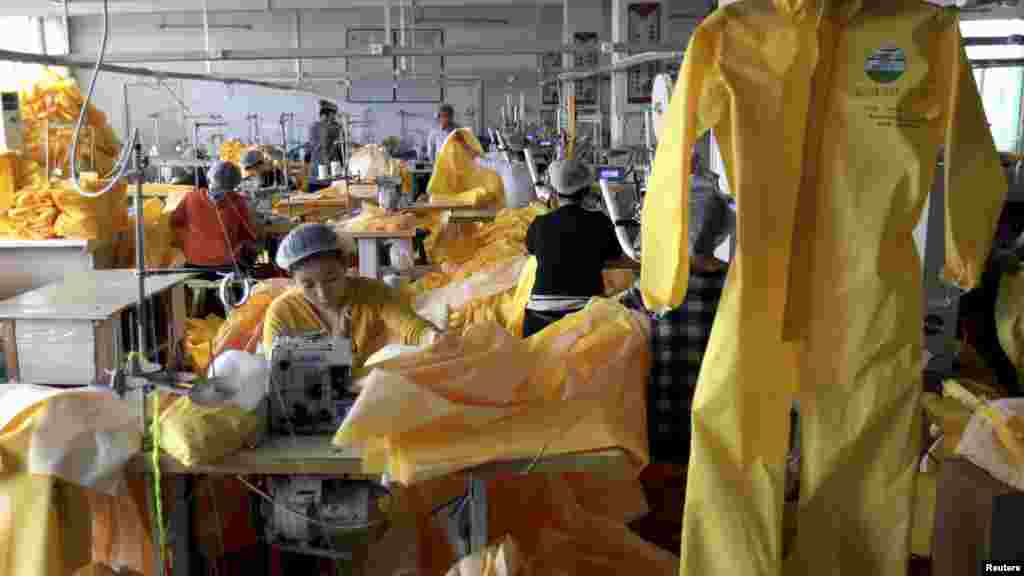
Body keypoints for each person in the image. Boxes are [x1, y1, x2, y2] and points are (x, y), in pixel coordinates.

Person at [619, 182, 733, 551]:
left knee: (660, 525)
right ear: (720, 232)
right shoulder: (740, 286)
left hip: (661, 422)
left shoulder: (654, 287)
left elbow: (608, 321)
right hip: (719, 427)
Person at [263, 223, 441, 369]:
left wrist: (433, 337)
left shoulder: (373, 293)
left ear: (346, 265)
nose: (322, 294)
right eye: (308, 285)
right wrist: (337, 348)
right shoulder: (282, 312)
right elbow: (278, 363)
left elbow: (409, 326)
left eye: (331, 279)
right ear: (293, 280)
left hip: (370, 388)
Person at [522, 159, 621, 338]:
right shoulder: (599, 222)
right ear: (587, 191)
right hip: (584, 318)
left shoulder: (540, 224)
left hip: (538, 319)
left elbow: (531, 249)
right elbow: (615, 254)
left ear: (554, 192)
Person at [170, 160, 261, 279]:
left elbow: (174, 222)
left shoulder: (190, 197)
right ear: (234, 185)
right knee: (253, 253)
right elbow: (247, 233)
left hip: (194, 262)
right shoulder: (237, 201)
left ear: (209, 178)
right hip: (225, 265)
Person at [306, 100, 341, 191]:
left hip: (325, 177)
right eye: (333, 115)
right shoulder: (318, 127)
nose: (334, 118)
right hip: (321, 178)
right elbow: (322, 146)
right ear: (326, 115)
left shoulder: (315, 127)